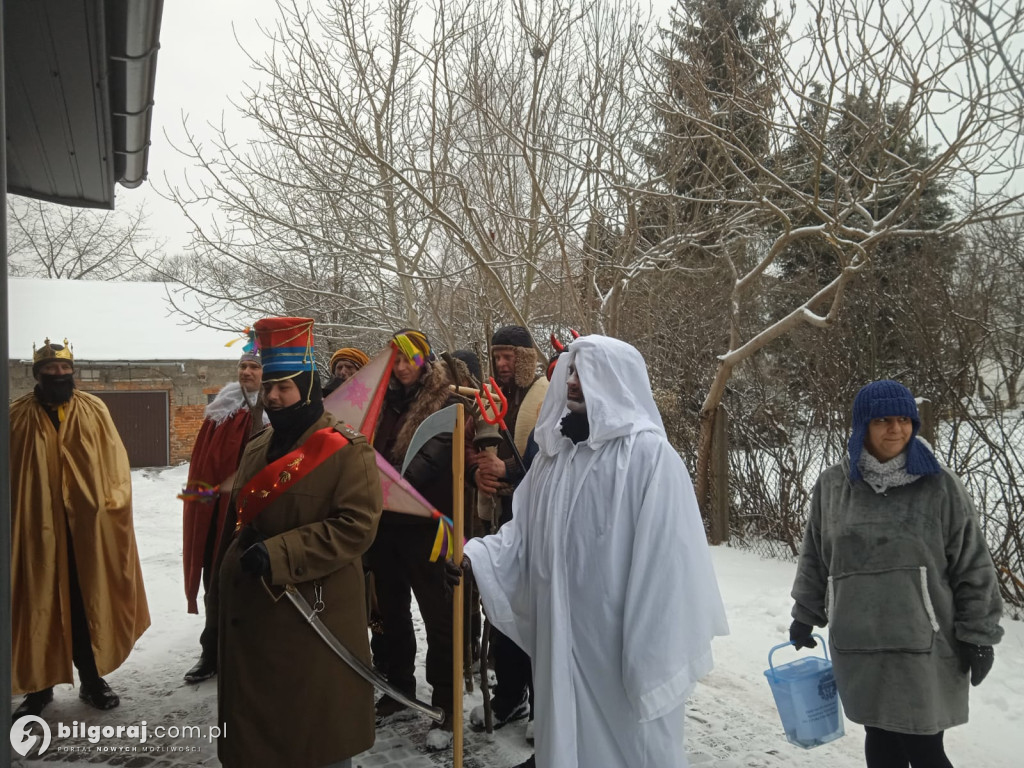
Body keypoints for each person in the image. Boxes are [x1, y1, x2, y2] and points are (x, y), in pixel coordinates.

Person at [453, 335, 729, 768]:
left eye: (588, 372)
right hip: (559, 634)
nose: (575, 382)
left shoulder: (649, 458)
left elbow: (670, 567)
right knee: (563, 734)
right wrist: (477, 557)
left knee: (623, 745)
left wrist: (647, 656)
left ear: (620, 380)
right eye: (573, 371)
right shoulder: (553, 455)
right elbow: (523, 532)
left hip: (617, 647)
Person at [789, 379, 1004, 768]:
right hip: (859, 643)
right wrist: (804, 614)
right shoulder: (834, 486)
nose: (896, 429)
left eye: (904, 419)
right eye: (883, 420)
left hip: (923, 645)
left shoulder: (940, 486)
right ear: (862, 428)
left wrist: (980, 635)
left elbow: (973, 565)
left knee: (924, 748)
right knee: (881, 741)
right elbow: (817, 559)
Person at [215, 317, 382, 768]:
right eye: (269, 387)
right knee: (259, 741)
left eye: (284, 388)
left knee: (313, 739)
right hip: (253, 617)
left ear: (308, 389)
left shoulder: (348, 450)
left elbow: (357, 526)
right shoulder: (259, 444)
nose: (272, 397)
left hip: (312, 619)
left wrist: (278, 553)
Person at [10, 338, 150, 720]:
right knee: (39, 605)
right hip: (34, 534)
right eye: (50, 370)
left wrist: (111, 505)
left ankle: (92, 680)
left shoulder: (93, 410)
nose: (59, 375)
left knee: (85, 602)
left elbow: (115, 463)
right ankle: (39, 688)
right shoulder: (16, 417)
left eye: (64, 369)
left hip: (86, 533)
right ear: (37, 374)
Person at [367, 329, 477, 751]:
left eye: (409, 360)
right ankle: (399, 689)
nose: (401, 367)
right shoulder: (378, 403)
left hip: (428, 529)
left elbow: (434, 453)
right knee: (391, 613)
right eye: (395, 361)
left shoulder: (447, 402)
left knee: (439, 619)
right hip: (386, 526)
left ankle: (446, 707)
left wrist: (395, 484)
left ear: (425, 360)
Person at [470, 325, 548, 736]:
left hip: (534, 523)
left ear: (526, 358)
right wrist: (478, 475)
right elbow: (473, 448)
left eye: (510, 356)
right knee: (500, 610)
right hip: (497, 518)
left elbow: (554, 460)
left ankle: (541, 705)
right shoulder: (486, 397)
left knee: (533, 613)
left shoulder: (548, 395)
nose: (502, 363)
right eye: (497, 355)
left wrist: (510, 470)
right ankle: (510, 696)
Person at [181, 351, 267, 683]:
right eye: (243, 366)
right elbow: (203, 464)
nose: (247, 372)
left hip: (258, 508)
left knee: (255, 582)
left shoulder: (274, 411)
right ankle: (211, 651)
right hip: (219, 512)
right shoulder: (221, 412)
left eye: (254, 367)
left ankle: (251, 654)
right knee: (215, 579)